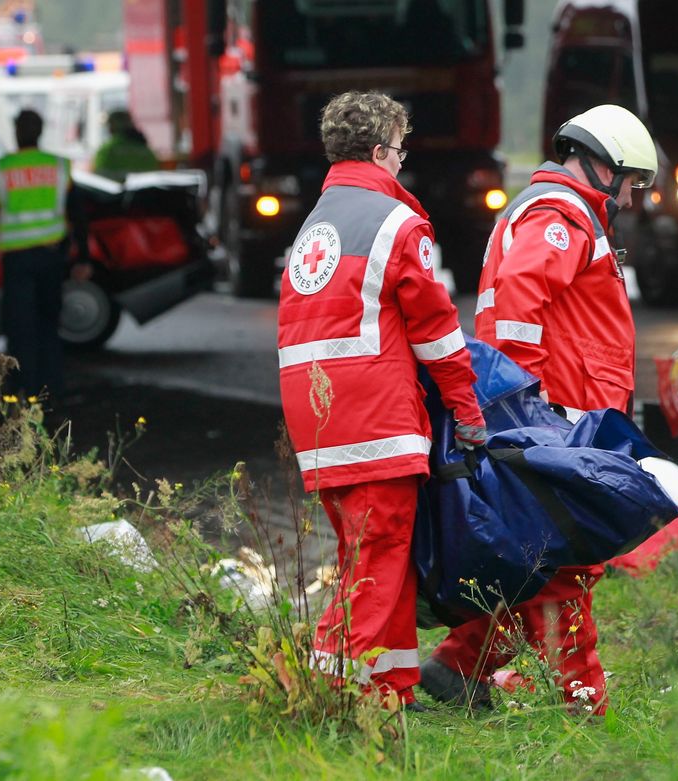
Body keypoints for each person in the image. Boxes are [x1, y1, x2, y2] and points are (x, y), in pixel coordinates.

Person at [419, 104, 658, 715]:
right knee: (567, 562)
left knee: (537, 554)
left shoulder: (557, 212)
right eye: (630, 183)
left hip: (558, 413)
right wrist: (533, 408)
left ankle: (458, 668)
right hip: (560, 416)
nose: (630, 199)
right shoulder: (561, 215)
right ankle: (582, 700)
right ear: (604, 167)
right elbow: (523, 300)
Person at [277, 91, 486, 712]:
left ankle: (392, 690)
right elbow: (438, 331)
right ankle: (330, 696)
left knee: (373, 557)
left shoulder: (318, 223)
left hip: (321, 419)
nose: (402, 161)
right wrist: (468, 410)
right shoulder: (395, 222)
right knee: (376, 561)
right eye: (399, 149)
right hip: (376, 420)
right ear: (378, 150)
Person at [0, 108, 91, 401]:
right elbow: (78, 215)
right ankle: (52, 391)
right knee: (48, 323)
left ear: (16, 131)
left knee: (19, 326)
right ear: (40, 131)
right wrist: (83, 257)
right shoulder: (58, 167)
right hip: (51, 258)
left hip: (17, 262)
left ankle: (24, 389)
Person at [92, 110, 159, 182]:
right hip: (143, 192)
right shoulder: (146, 151)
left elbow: (98, 180)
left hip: (113, 193)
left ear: (112, 126)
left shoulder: (107, 151)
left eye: (110, 124)